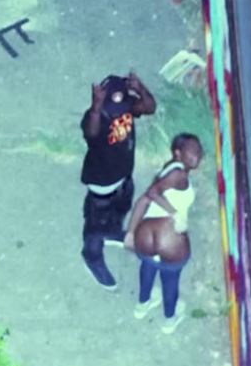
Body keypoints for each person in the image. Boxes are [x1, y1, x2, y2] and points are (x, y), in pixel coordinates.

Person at [80, 72, 156, 289]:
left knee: (120, 210)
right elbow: (91, 132)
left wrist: (140, 87)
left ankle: (112, 231)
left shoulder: (127, 106)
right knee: (95, 227)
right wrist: (96, 106)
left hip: (123, 175)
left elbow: (149, 108)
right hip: (101, 183)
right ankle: (92, 256)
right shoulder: (97, 116)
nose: (119, 114)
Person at [124, 133, 203, 333]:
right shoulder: (179, 174)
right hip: (169, 239)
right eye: (191, 150)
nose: (197, 154)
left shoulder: (169, 170)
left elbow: (144, 200)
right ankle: (170, 318)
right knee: (170, 278)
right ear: (178, 153)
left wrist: (131, 233)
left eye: (198, 149)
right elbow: (152, 194)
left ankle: (143, 305)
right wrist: (174, 213)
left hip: (146, 236)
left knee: (148, 267)